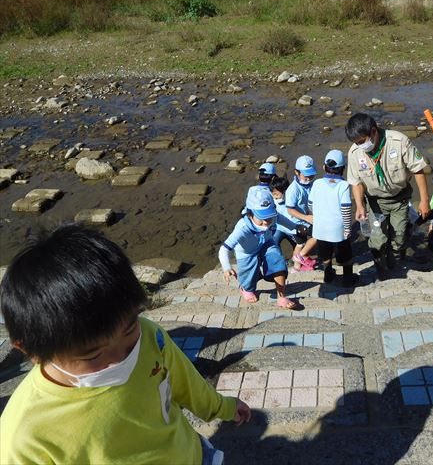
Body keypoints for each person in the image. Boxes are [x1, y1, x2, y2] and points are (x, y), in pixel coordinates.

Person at [0, 225, 251, 464]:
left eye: (130, 328)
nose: (122, 358)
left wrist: (223, 407)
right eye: (93, 355)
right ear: (31, 351)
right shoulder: (24, 437)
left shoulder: (152, 337)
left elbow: (186, 382)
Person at [345, 113, 430, 280]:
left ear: (374, 131)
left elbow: (418, 169)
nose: (360, 146)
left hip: (399, 200)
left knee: (398, 237)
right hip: (375, 202)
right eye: (356, 143)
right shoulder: (355, 152)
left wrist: (425, 200)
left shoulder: (398, 142)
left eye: (362, 141)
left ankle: (394, 254)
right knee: (378, 239)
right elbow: (356, 181)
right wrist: (360, 206)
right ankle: (380, 268)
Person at [219, 187, 296, 310]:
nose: (266, 222)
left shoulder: (273, 217)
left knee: (277, 260)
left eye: (269, 217)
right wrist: (227, 267)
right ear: (250, 214)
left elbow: (284, 220)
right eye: (262, 218)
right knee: (249, 279)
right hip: (246, 253)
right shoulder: (242, 228)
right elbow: (224, 249)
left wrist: (297, 227)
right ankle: (246, 288)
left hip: (266, 243)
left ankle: (281, 296)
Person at [308, 150, 359, 287]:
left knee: (325, 252)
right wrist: (348, 227)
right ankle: (348, 278)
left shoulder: (317, 183)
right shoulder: (343, 186)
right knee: (345, 253)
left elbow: (310, 204)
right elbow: (346, 209)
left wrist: (319, 215)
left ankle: (328, 274)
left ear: (324, 167)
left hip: (320, 227)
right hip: (338, 228)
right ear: (343, 169)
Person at [285, 155, 318, 272]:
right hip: (296, 221)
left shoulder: (312, 184)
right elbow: (289, 210)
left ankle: (296, 267)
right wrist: (306, 217)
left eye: (311, 174)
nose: (309, 177)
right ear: (297, 172)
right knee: (317, 234)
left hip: (305, 218)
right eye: (306, 175)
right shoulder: (293, 190)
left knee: (300, 243)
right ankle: (301, 256)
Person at [269, 175, 297, 250]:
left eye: (277, 194)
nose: (274, 197)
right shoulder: (272, 201)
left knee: (297, 245)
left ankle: (295, 259)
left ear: (285, 191)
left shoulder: (292, 200)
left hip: (292, 229)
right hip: (279, 228)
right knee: (274, 243)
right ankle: (280, 260)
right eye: (273, 194)